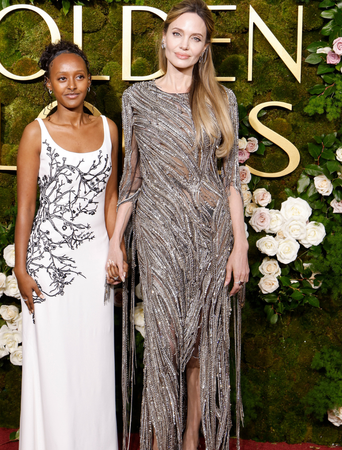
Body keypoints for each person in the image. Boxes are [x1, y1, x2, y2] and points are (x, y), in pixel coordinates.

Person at [106, 1, 249, 449]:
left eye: (196, 38)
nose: (185, 45)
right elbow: (131, 180)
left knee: (202, 346)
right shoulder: (137, 98)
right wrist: (116, 242)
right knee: (165, 342)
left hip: (211, 237)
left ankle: (190, 439)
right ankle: (159, 439)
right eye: (178, 34)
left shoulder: (222, 100)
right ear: (163, 38)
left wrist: (240, 247)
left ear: (205, 48)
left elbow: (229, 183)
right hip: (159, 234)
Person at [14, 40, 121, 450]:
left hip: (95, 262)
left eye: (79, 77)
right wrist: (21, 269)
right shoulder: (35, 133)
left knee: (92, 363)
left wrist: (117, 250)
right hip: (47, 264)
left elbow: (110, 200)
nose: (71, 85)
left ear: (89, 81)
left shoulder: (109, 129)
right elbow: (25, 208)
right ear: (48, 85)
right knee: (55, 364)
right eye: (62, 78)